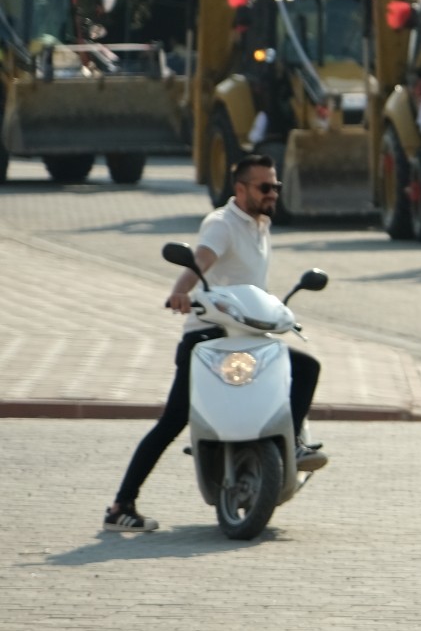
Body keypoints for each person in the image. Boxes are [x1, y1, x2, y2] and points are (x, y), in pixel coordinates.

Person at [102, 154, 327, 532]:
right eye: (265, 187)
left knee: (305, 367)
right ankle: (120, 506)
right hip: (209, 336)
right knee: (173, 419)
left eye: (276, 187)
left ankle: (293, 444)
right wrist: (179, 293)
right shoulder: (222, 224)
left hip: (247, 335)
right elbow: (200, 261)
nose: (273, 193)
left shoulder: (261, 224)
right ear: (240, 189)